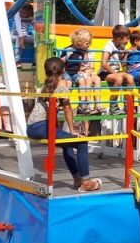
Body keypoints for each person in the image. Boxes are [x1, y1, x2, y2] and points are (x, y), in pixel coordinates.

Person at [27, 57, 101, 192]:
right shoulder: (62, 86)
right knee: (81, 143)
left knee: (67, 144)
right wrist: (72, 130)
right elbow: (67, 108)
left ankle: (77, 179)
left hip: (32, 127)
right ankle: (86, 182)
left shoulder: (44, 85)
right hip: (42, 126)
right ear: (63, 70)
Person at [63, 28, 102, 115]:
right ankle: (65, 102)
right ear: (79, 43)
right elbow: (63, 62)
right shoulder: (70, 50)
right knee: (70, 82)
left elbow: (87, 64)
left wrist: (85, 56)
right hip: (70, 72)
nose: (89, 45)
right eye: (87, 43)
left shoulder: (82, 52)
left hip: (79, 73)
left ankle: (88, 103)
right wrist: (66, 57)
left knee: (88, 80)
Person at [12, 3, 34, 68]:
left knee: (37, 40)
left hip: (24, 36)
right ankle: (17, 61)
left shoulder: (31, 17)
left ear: (28, 13)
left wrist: (34, 20)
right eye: (20, 11)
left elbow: (35, 26)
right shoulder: (17, 15)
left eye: (23, 13)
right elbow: (18, 27)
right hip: (14, 34)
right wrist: (21, 37)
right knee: (18, 38)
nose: (21, 13)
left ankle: (35, 60)